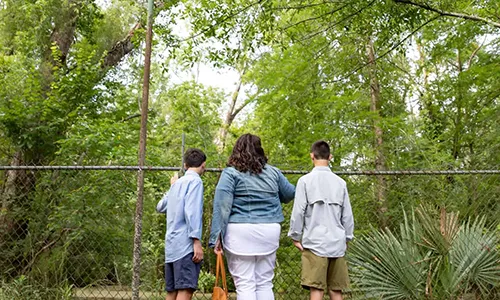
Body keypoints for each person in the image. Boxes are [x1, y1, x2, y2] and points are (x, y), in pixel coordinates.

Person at [209, 133, 295, 300]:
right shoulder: (274, 173)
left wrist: (216, 238)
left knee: (245, 283)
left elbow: (222, 206)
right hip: (269, 231)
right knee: (264, 283)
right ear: (260, 150)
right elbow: (290, 193)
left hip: (240, 232)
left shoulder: (231, 173)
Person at [288, 140, 354, 300]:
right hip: (337, 244)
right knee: (336, 290)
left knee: (316, 289)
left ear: (312, 156)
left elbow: (298, 212)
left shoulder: (304, 181)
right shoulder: (341, 183)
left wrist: (295, 236)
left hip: (315, 242)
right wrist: (347, 237)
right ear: (330, 156)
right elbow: (347, 215)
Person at [156, 148, 207, 300]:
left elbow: (160, 206)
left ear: (185, 165)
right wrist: (196, 241)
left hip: (171, 246)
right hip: (185, 246)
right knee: (185, 290)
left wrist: (172, 187)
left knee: (171, 292)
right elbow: (191, 212)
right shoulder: (195, 182)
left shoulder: (177, 184)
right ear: (203, 165)